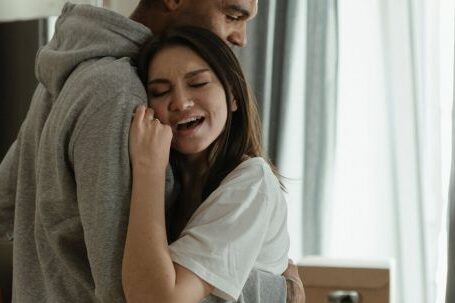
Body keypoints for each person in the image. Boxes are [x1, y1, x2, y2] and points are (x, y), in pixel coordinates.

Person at [0, 0, 304, 302]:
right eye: (231, 14)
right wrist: (276, 291)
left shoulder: (66, 78)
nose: (241, 37)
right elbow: (130, 287)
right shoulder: (119, 93)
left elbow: (6, 199)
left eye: (197, 83)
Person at [123, 26, 290, 303]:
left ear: (233, 95)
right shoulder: (177, 184)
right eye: (160, 91)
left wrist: (148, 169)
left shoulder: (252, 182)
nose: (180, 102)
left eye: (198, 83)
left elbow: (155, 299)